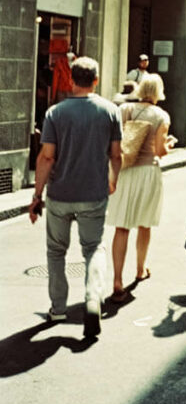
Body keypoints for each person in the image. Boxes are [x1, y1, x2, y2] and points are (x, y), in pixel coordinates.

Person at [28, 56, 122, 337]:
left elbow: (46, 157)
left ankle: (58, 308)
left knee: (56, 250)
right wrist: (111, 180)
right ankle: (93, 298)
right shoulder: (110, 111)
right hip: (94, 193)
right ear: (96, 80)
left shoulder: (55, 113)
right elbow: (116, 154)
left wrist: (37, 195)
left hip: (60, 194)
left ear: (70, 80)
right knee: (93, 247)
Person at [106, 73, 176, 302]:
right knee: (144, 223)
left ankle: (117, 279)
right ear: (158, 92)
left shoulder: (124, 110)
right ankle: (140, 268)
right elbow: (159, 151)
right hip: (147, 172)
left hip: (125, 170)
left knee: (122, 226)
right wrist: (169, 144)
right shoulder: (161, 116)